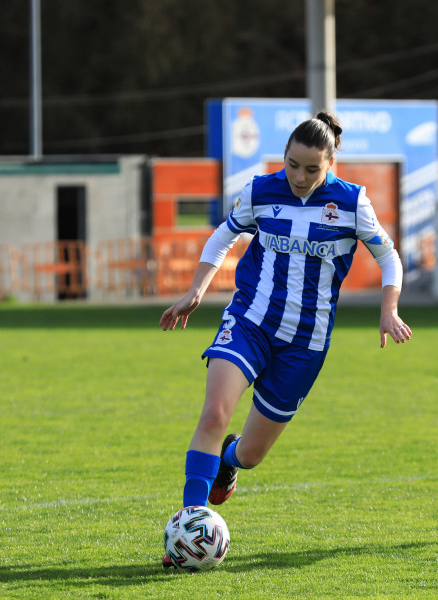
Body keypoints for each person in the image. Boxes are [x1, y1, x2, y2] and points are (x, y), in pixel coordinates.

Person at [159, 112, 412, 565]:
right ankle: (190, 530)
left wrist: (388, 308)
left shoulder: (352, 203)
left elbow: (389, 256)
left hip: (305, 344)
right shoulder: (261, 190)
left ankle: (228, 463)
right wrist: (196, 289)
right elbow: (223, 234)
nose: (298, 176)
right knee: (214, 412)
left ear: (331, 163)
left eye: (311, 169)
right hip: (250, 320)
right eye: (292, 164)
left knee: (251, 454)